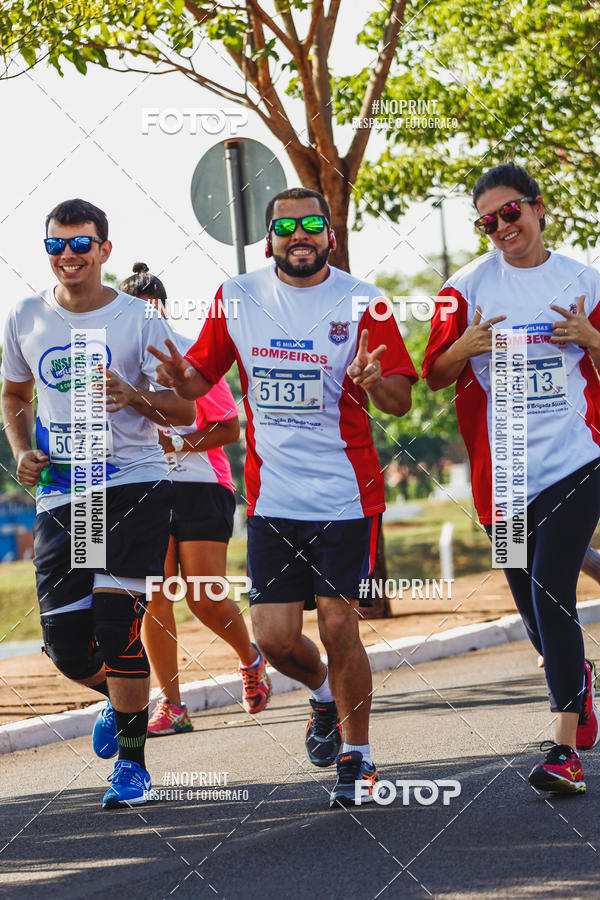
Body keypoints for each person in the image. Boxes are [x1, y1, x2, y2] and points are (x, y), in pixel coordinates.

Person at [149, 187, 418, 807]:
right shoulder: (237, 297)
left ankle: (359, 757)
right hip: (273, 500)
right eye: (286, 226)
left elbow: (401, 400)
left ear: (330, 234)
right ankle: (322, 696)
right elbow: (198, 381)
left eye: (312, 225)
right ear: (268, 238)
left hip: (347, 496)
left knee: (337, 624)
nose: (300, 235)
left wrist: (377, 383)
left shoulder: (364, 303)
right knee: (272, 638)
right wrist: (174, 378)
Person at [0, 200, 195, 809]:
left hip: (134, 483)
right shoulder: (25, 316)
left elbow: (187, 412)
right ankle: (120, 698)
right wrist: (22, 451)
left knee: (116, 623)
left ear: (105, 250)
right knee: (65, 647)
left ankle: (132, 767)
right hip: (64, 494)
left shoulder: (140, 319)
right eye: (56, 246)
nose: (68, 256)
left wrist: (135, 394)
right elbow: (13, 393)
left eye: (81, 245)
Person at [423, 163, 600, 794]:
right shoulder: (466, 286)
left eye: (511, 212)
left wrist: (590, 338)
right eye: (488, 221)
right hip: (505, 472)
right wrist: (461, 348)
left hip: (578, 457)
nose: (502, 228)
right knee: (529, 604)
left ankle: (561, 750)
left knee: (552, 589)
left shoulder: (584, 278)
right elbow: (435, 375)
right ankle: (579, 683)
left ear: (538, 207)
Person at [118, 263, 271, 734]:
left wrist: (179, 444)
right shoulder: (116, 361)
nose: (144, 318)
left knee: (204, 595)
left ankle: (250, 659)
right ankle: (172, 705)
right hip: (144, 487)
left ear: (162, 309)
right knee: (156, 595)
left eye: (151, 310)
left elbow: (229, 426)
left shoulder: (187, 351)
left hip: (203, 484)